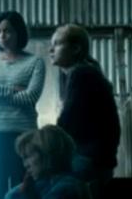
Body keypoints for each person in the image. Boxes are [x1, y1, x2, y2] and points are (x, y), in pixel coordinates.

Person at [0, 10, 46, 199]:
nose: (2, 36)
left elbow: (30, 96)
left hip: (24, 133)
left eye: (8, 31)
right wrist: (13, 90)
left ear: (19, 33)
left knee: (23, 190)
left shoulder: (35, 62)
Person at [49, 23, 121, 188]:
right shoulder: (87, 71)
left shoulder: (81, 74)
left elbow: (68, 121)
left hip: (88, 158)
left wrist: (47, 142)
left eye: (57, 44)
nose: (51, 50)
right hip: (98, 158)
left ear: (75, 49)